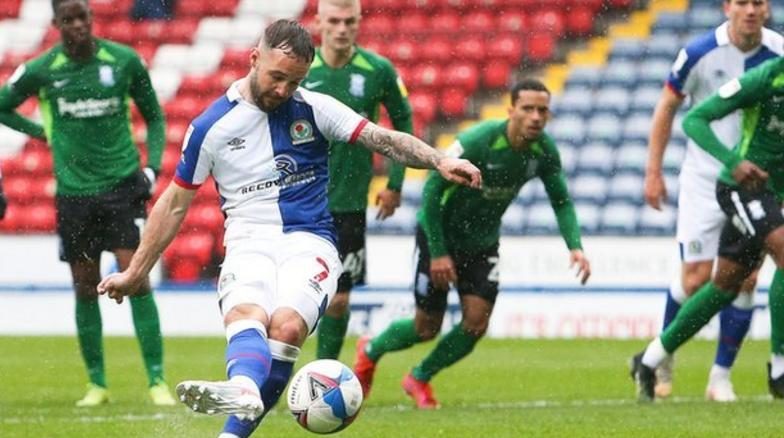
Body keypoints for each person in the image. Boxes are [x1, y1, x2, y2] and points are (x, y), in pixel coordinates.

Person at [97, 19, 481, 438]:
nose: (283, 90)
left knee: (287, 327)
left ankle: (242, 390)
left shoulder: (315, 108)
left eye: (294, 81)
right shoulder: (211, 127)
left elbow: (383, 139)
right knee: (247, 314)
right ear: (254, 58)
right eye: (276, 77)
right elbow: (173, 204)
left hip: (310, 241)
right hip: (248, 240)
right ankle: (242, 394)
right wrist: (136, 271)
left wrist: (440, 160)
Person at [352, 79, 592, 409]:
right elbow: (431, 191)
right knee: (426, 327)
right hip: (439, 234)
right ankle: (370, 351)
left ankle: (419, 377)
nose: (536, 117)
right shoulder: (478, 141)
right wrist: (438, 253)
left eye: (543, 110)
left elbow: (561, 201)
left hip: (482, 243)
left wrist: (575, 246)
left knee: (476, 323)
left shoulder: (544, 151)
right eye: (528, 109)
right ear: (511, 110)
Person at [0, 0, 174, 407]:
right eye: (69, 19)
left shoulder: (124, 61)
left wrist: (152, 168)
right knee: (84, 287)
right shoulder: (43, 69)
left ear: (92, 18)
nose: (78, 25)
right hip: (74, 194)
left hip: (122, 187)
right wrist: (42, 132)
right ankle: (97, 384)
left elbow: (155, 116)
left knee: (137, 279)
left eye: (83, 17)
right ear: (56, 23)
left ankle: (157, 381)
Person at [642, 0, 782, 401]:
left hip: (759, 181)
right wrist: (653, 171)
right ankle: (661, 357)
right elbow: (669, 106)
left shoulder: (778, 52)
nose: (750, 10)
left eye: (758, 2)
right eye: (742, 2)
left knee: (746, 278)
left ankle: (721, 376)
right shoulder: (699, 52)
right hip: (707, 178)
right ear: (727, 7)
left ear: (767, 9)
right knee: (697, 279)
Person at [304, 0, 414, 361]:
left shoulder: (378, 70)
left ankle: (323, 372)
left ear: (359, 22)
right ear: (318, 22)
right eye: (334, 21)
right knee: (292, 295)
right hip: (299, 200)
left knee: (338, 298)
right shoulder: (301, 68)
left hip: (348, 204)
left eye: (349, 21)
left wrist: (395, 183)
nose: (342, 29)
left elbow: (403, 120)